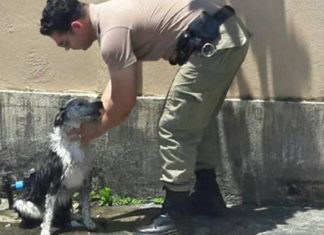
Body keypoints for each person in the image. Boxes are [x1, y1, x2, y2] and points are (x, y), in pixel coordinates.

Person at [40, 0, 249, 234]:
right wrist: (98, 115)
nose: (69, 48)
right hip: (225, 35)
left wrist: (95, 130)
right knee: (194, 119)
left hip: (214, 44)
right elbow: (122, 87)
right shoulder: (111, 15)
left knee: (174, 126)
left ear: (76, 26)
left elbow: (125, 102)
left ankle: (175, 216)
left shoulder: (112, 36)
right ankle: (207, 197)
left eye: (65, 43)